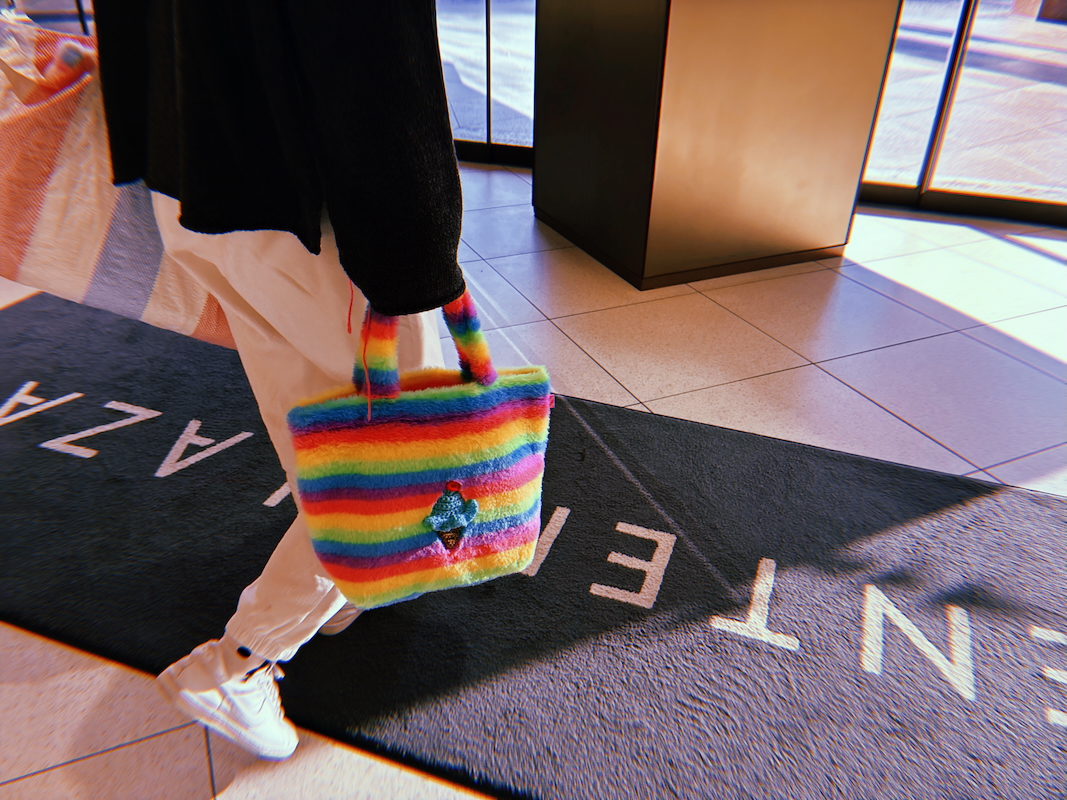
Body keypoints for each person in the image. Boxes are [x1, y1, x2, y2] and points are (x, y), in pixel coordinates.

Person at [93, 0, 468, 761]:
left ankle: (338, 584)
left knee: (310, 414)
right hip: (303, 192)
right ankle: (241, 662)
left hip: (191, 166)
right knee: (422, 462)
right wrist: (419, 256)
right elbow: (375, 54)